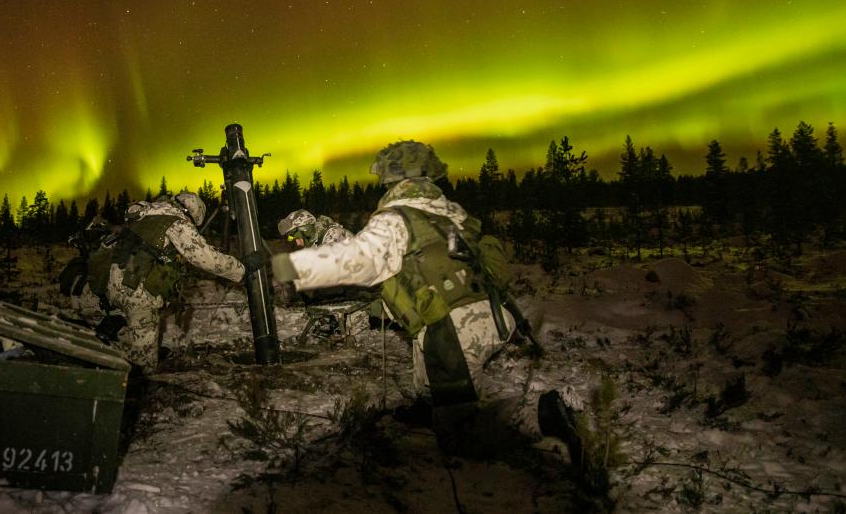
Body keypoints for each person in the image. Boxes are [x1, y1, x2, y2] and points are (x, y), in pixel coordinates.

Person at [271, 140, 579, 461]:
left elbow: (360, 260)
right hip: (491, 313)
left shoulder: (394, 218)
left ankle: (541, 415)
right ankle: (429, 406)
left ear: (393, 180)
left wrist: (289, 266)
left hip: (456, 328)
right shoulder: (451, 213)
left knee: (460, 434)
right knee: (423, 345)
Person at [95, 191, 264, 371]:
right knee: (143, 361)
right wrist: (241, 268)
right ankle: (134, 385)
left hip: (113, 285)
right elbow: (206, 258)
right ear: (191, 212)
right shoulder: (176, 221)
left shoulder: (143, 216)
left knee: (133, 330)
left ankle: (118, 350)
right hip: (138, 292)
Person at [277, 209, 351, 248]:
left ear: (306, 230)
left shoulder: (335, 235)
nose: (298, 243)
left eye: (298, 238)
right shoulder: (315, 240)